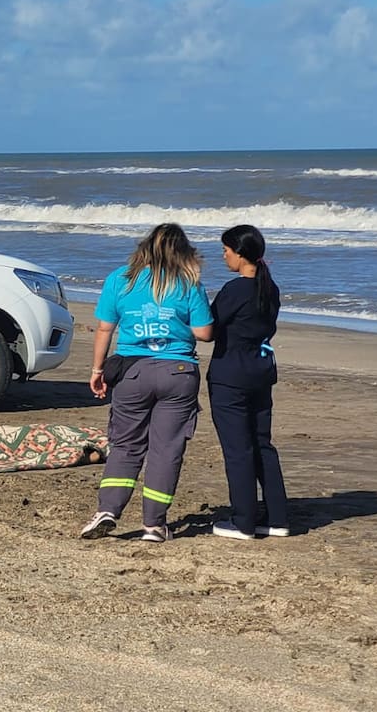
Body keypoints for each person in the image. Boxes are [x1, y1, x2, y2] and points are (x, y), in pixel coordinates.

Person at [80, 223, 213, 543]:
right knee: (166, 450)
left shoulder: (120, 279)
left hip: (132, 371)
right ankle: (154, 524)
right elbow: (204, 333)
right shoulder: (188, 282)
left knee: (126, 444)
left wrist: (97, 370)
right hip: (178, 372)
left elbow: (104, 330)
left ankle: (108, 510)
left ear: (144, 247)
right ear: (183, 251)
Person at [207, 225, 289, 540]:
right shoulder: (270, 288)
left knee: (238, 448)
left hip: (232, 375)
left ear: (240, 254)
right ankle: (278, 517)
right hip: (261, 370)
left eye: (226, 251)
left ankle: (243, 520)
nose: (223, 256)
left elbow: (210, 329)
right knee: (262, 444)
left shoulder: (236, 289)